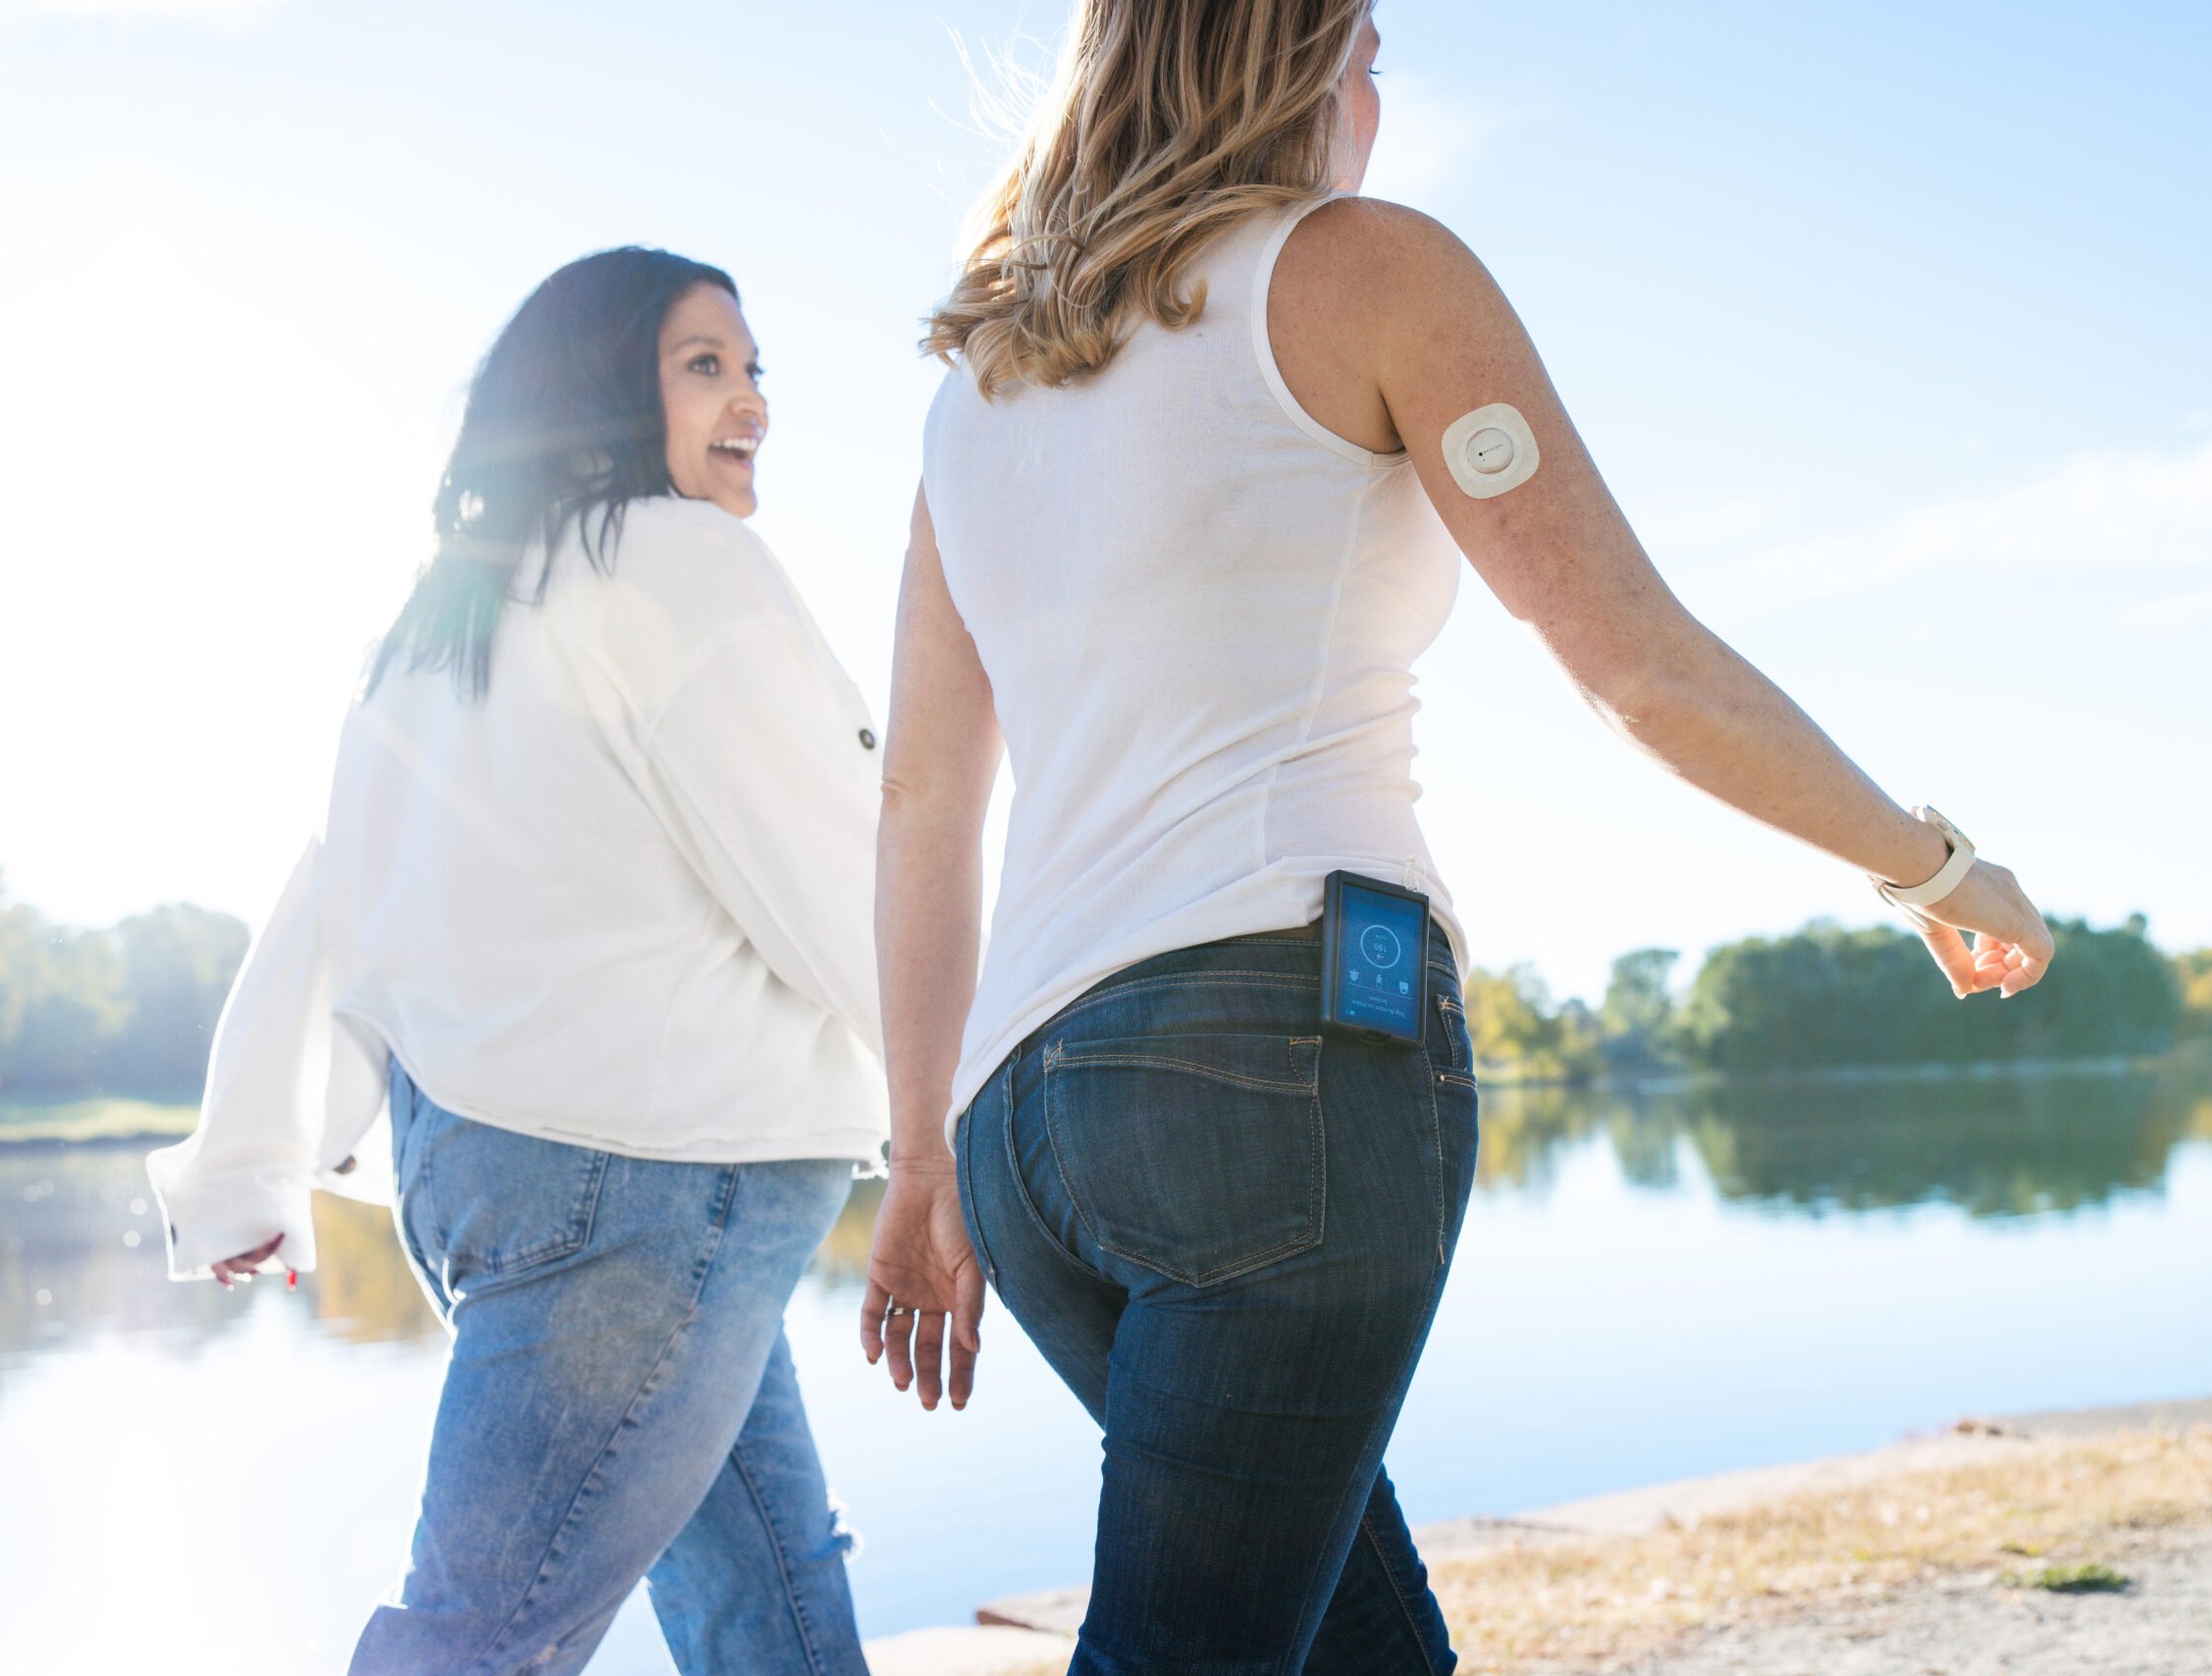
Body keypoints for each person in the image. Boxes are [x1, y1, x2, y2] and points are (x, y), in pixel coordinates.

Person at [861, 3, 2057, 1673]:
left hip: (1025, 1129)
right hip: (1277, 1065)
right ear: (1276, 57)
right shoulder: (1368, 268)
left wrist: (920, 1154)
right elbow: (1640, 667)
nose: (1379, 79)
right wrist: (1930, 863)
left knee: (1355, 1653)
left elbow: (924, 801)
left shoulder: (979, 386)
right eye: (1359, 37)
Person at [146, 247, 885, 1676]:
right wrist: (967, 1114)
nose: (753, 404)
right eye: (703, 365)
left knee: (767, 1597)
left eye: (755, 371)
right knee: (482, 1639)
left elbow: (330, 897)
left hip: (492, 1179)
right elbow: (838, 866)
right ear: (602, 389)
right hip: (658, 1192)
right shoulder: (679, 562)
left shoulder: (441, 618)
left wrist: (246, 1160)